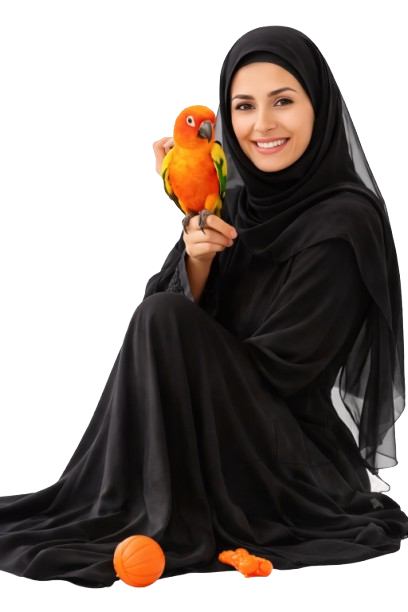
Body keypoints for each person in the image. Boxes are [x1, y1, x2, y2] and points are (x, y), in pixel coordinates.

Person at [0, 26, 406, 588]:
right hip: (216, 430)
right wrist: (199, 261)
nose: (262, 125)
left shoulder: (345, 222)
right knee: (160, 314)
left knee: (164, 318)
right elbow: (152, 343)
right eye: (243, 106)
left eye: (283, 101)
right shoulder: (233, 203)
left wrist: (190, 339)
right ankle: (133, 503)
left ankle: (163, 508)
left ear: (320, 106)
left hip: (288, 454)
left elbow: (283, 368)